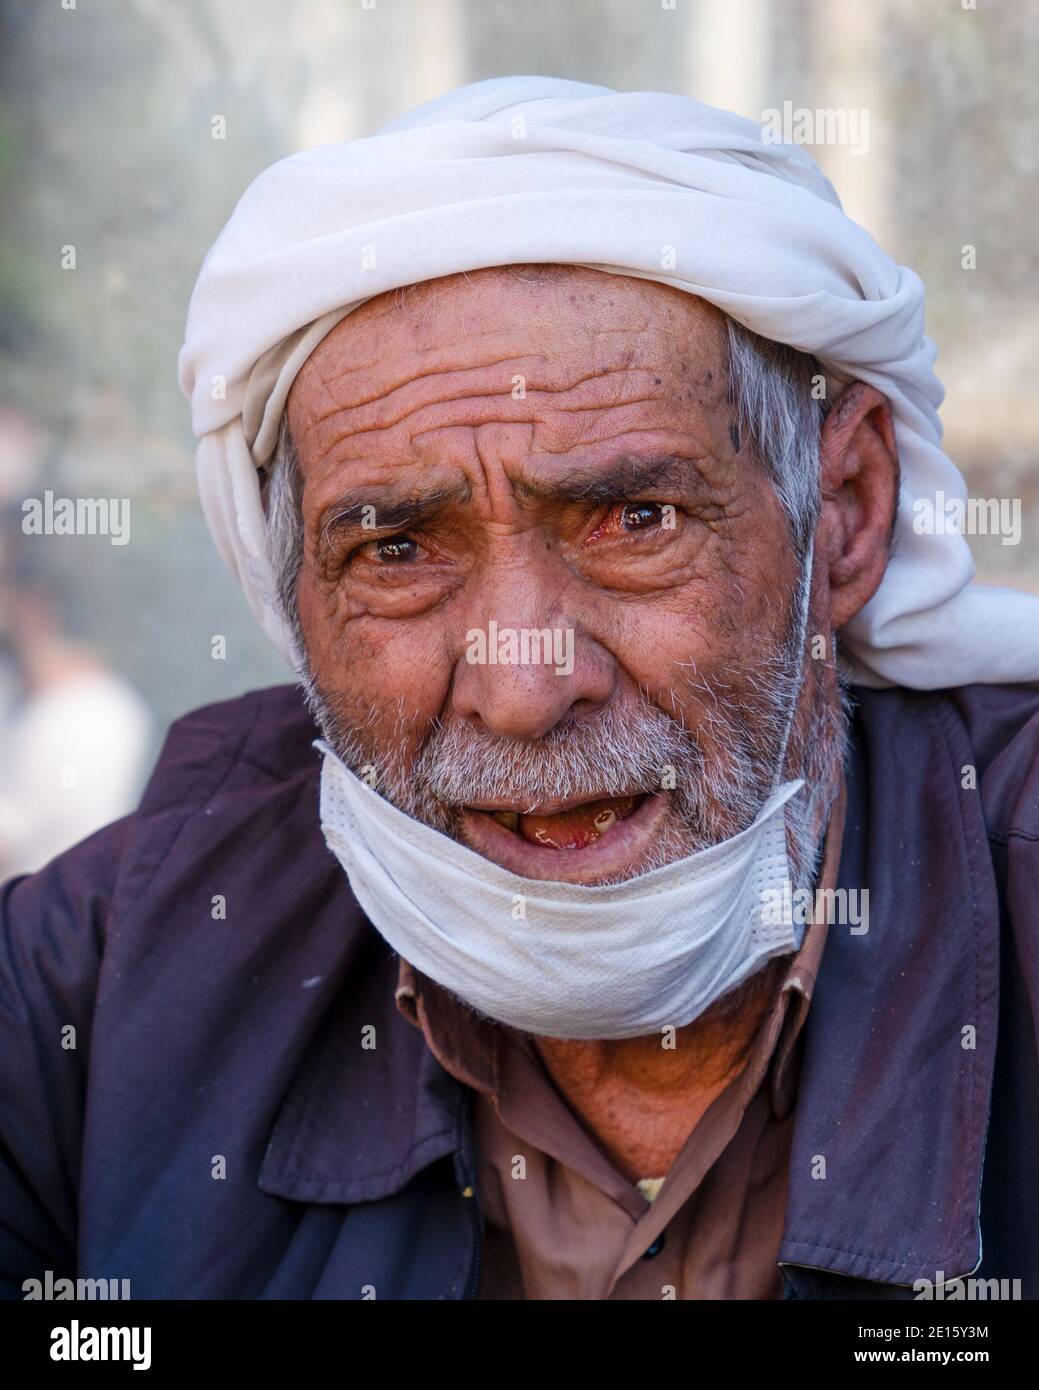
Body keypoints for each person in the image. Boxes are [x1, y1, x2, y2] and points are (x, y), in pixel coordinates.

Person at [2, 76, 1037, 1301]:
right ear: (292, 595)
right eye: (398, 550)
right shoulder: (91, 994)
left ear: (846, 517)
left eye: (632, 518)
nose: (525, 689)